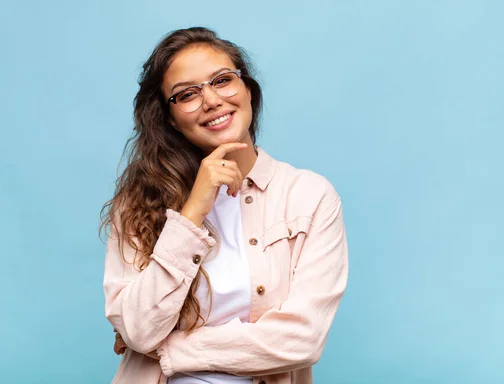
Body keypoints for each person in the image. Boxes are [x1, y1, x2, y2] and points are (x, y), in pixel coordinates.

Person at [101, 26, 349, 384]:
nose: (211, 101)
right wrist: (191, 214)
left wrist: (172, 350)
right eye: (187, 94)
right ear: (170, 117)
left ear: (247, 89)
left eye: (222, 80)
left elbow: (302, 339)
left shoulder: (309, 197)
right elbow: (140, 331)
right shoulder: (137, 203)